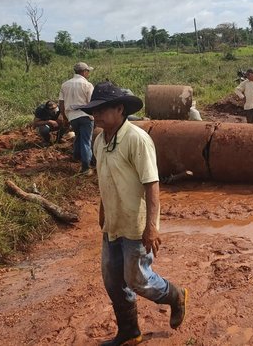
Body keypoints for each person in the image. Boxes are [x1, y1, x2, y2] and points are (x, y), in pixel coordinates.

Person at [76, 81, 188, 345]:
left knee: (137, 279)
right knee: (113, 281)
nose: (97, 115)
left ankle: (175, 295)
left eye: (103, 109)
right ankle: (129, 332)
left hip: (136, 226)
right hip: (113, 223)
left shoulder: (137, 139)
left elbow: (151, 184)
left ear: (120, 109)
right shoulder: (99, 142)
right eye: (94, 109)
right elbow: (105, 180)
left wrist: (152, 226)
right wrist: (103, 211)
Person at [59, 62, 95, 175]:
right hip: (85, 116)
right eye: (88, 71)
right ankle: (85, 167)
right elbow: (92, 103)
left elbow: (61, 103)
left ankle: (76, 156)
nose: (88, 73)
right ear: (84, 72)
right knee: (86, 140)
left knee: (78, 136)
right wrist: (95, 117)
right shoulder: (88, 85)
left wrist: (65, 117)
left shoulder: (65, 85)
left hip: (72, 116)